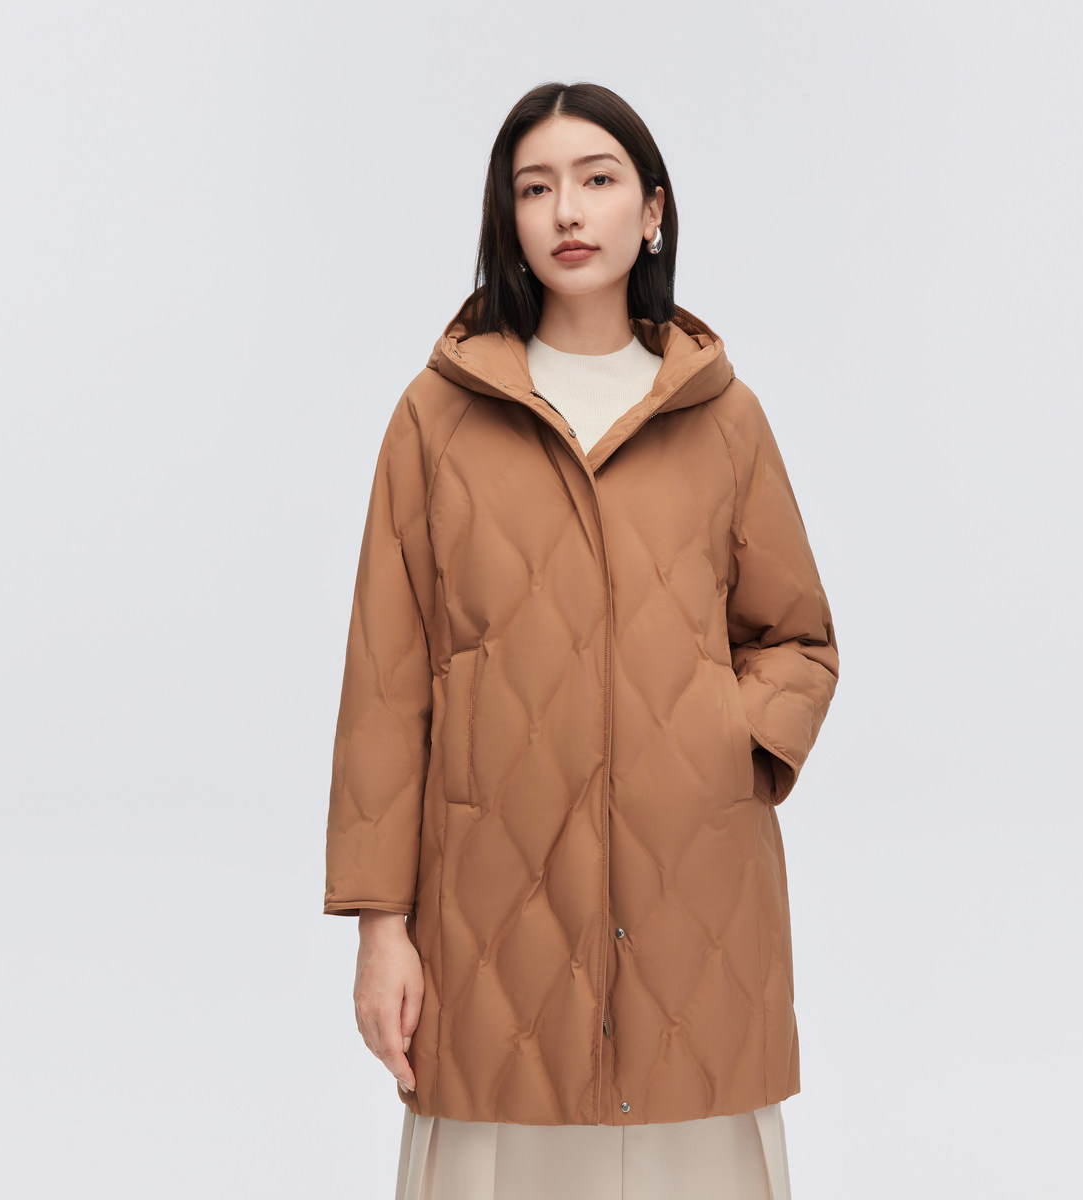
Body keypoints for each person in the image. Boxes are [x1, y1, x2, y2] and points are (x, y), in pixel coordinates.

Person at [323, 80, 840, 1200]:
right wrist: (379, 926)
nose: (566, 210)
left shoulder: (722, 415)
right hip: (489, 904)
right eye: (535, 188)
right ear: (506, 219)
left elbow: (797, 638)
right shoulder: (437, 416)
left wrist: (722, 745)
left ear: (650, 212)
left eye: (597, 180)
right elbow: (386, 685)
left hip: (694, 897)